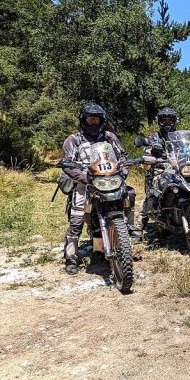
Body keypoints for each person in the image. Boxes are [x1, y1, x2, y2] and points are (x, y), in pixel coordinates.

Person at [60, 103, 135, 275]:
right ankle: (71, 257)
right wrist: (83, 177)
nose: (93, 122)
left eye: (96, 119)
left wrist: (123, 171)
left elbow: (122, 156)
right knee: (77, 218)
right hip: (85, 183)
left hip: (109, 180)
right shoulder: (74, 140)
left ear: (101, 121)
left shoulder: (109, 137)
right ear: (83, 120)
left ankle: (125, 231)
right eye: (90, 118)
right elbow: (67, 163)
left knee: (129, 195)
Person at [141, 107, 180, 225]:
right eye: (164, 120)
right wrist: (152, 153)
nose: (167, 123)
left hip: (181, 168)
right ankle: (143, 218)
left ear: (175, 121)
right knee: (153, 190)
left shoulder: (180, 137)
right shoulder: (154, 137)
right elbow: (146, 156)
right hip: (160, 169)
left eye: (170, 120)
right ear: (159, 122)